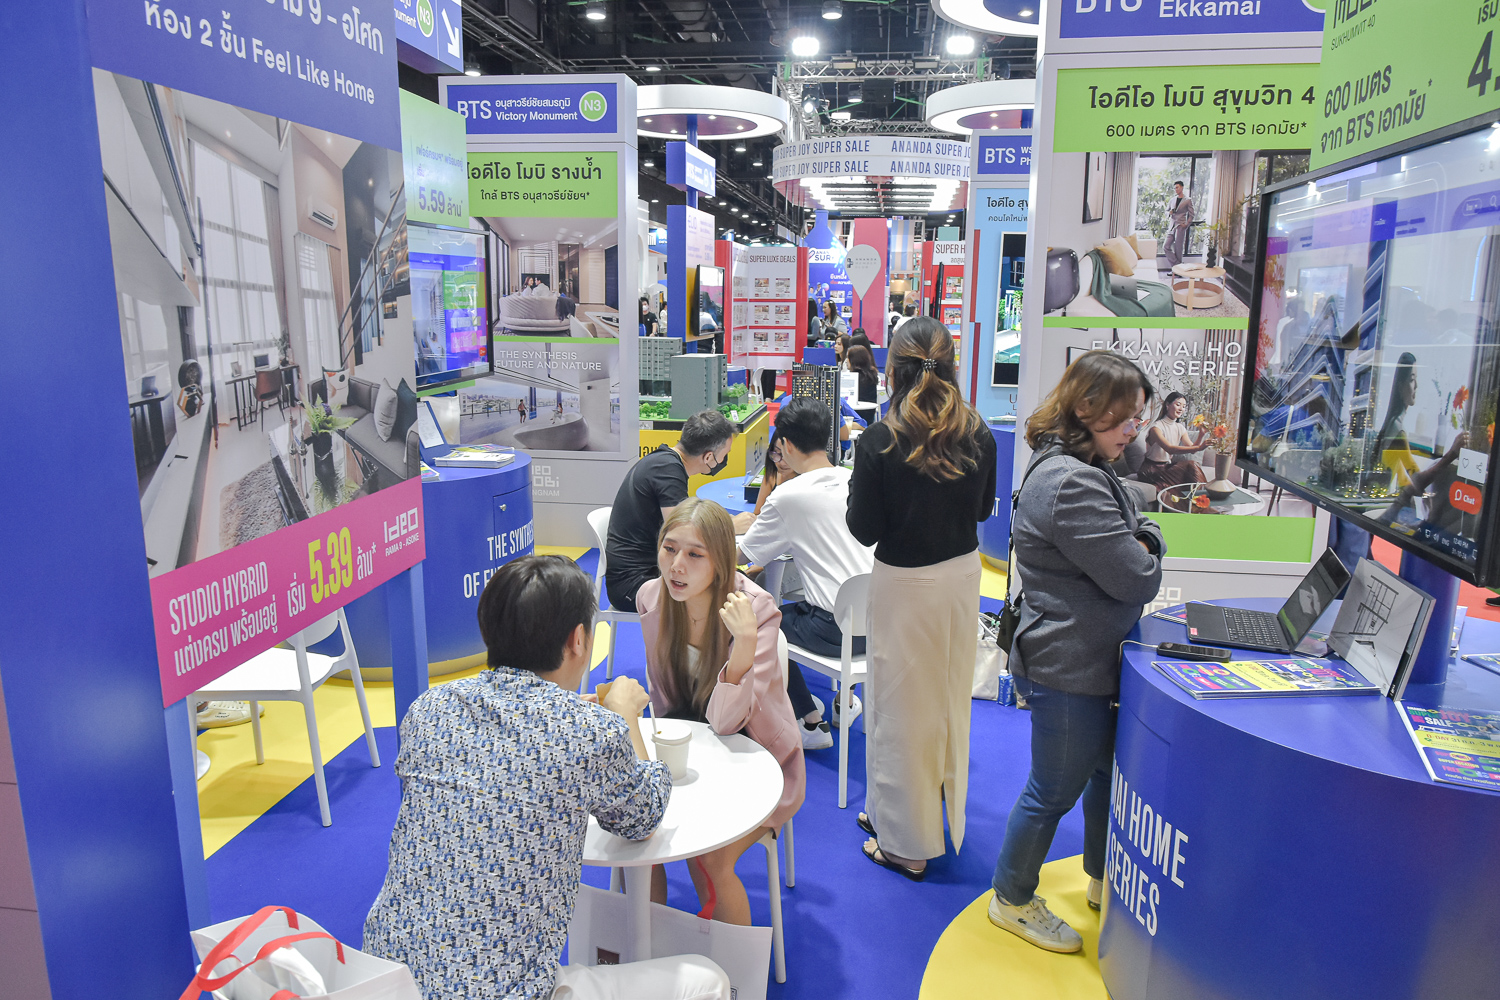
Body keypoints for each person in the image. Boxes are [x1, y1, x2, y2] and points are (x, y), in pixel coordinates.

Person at [364, 555, 731, 1000]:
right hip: (504, 992)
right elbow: (643, 816)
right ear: (578, 640)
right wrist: (624, 718)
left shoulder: (428, 709)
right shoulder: (589, 732)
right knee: (709, 980)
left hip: (381, 980)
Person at [987, 350, 1165, 954]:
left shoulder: (1077, 464)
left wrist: (1139, 535)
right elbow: (1137, 576)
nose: (1133, 430)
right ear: (1088, 409)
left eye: (1138, 417)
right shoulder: (1072, 482)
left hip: (1085, 658)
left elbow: (1128, 538)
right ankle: (1011, 898)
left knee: (1102, 773)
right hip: (1069, 665)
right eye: (1125, 417)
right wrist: (1150, 537)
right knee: (1052, 790)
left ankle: (1100, 877)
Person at [846, 317, 997, 881]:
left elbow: (864, 529)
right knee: (946, 703)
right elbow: (982, 510)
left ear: (893, 369)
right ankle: (906, 814)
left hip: (905, 587)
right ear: (951, 365)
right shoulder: (978, 433)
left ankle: (907, 844)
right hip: (961, 579)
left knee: (898, 709)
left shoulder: (879, 441)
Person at [637, 500, 806, 925]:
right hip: (690, 751)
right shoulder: (651, 597)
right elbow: (664, 700)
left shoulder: (756, 609)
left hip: (757, 760)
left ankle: (728, 964)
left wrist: (744, 645)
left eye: (695, 554)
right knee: (636, 836)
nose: (677, 565)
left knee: (711, 857)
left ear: (721, 562)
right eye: (669, 548)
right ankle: (645, 946)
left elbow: (728, 723)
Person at [741, 399, 877, 750]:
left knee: (758, 622)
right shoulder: (857, 481)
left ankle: (809, 721)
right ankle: (845, 701)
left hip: (832, 631)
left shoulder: (788, 496)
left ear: (785, 444)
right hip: (881, 626)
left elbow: (743, 555)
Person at [606, 410, 753, 614]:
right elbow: (686, 534)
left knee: (734, 580)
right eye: (724, 454)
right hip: (634, 585)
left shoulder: (664, 462)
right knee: (738, 591)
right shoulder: (667, 472)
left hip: (648, 573)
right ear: (709, 456)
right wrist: (731, 526)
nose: (724, 459)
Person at [1372, 351, 1468, 527]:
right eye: (1412, 379)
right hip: (1387, 512)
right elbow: (1416, 480)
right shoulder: (1397, 429)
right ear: (1400, 386)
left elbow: (1407, 479)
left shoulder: (1393, 424)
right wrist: (1452, 454)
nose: (1417, 386)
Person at [1136, 391, 1207, 488]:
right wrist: (1199, 447)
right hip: (1151, 470)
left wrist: (1201, 435)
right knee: (1191, 466)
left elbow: (1193, 449)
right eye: (1178, 405)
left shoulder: (1179, 427)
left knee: (1192, 468)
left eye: (1184, 406)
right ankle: (1203, 495)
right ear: (1167, 405)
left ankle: (1201, 495)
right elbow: (1170, 448)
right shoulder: (1156, 428)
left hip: (1166, 467)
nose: (1181, 409)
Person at [753, 431, 797, 517]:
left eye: (788, 455)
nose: (782, 463)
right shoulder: (772, 475)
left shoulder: (810, 481)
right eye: (777, 453)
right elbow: (758, 514)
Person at [1164, 180, 1193, 268]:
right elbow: (1166, 211)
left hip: (1180, 226)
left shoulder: (1188, 200)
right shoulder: (1172, 200)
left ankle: (1176, 271)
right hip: (1171, 226)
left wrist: (1186, 225)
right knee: (1166, 246)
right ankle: (1178, 266)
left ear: (1182, 187)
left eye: (1177, 187)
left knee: (1178, 249)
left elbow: (1192, 215)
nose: (1176, 189)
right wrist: (1169, 213)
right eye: (1175, 188)